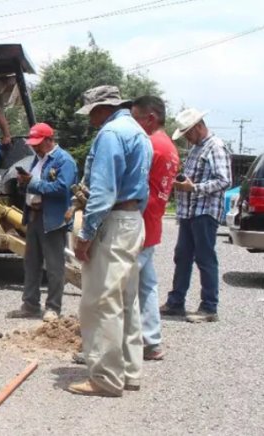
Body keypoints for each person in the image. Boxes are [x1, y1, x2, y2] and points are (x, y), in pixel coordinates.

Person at [67, 85, 152, 397]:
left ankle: (105, 378)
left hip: (113, 222)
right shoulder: (139, 132)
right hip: (132, 220)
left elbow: (102, 192)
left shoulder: (110, 134)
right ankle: (129, 371)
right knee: (126, 300)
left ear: (101, 108)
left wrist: (85, 236)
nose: (91, 120)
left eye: (91, 113)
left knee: (101, 302)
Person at [161, 108, 231, 323]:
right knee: (182, 255)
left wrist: (194, 188)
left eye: (188, 133)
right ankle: (176, 302)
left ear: (198, 127)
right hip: (190, 212)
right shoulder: (197, 149)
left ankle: (209, 307)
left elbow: (224, 180)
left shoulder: (215, 147)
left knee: (205, 258)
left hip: (204, 212)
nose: (187, 138)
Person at [6, 123, 78, 322]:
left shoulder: (65, 161)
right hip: (35, 217)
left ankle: (53, 308)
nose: (35, 147)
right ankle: (30, 305)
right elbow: (32, 187)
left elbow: (63, 188)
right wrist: (23, 184)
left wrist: (32, 183)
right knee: (31, 264)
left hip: (53, 220)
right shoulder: (37, 161)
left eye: (38, 143)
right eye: (33, 144)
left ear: (49, 140)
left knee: (54, 267)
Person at [130, 96, 180, 360]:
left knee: (119, 285)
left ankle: (110, 345)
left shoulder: (150, 145)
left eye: (135, 118)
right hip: (153, 221)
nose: (133, 124)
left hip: (138, 223)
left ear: (150, 118)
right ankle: (152, 341)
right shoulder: (170, 147)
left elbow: (133, 183)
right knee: (147, 285)